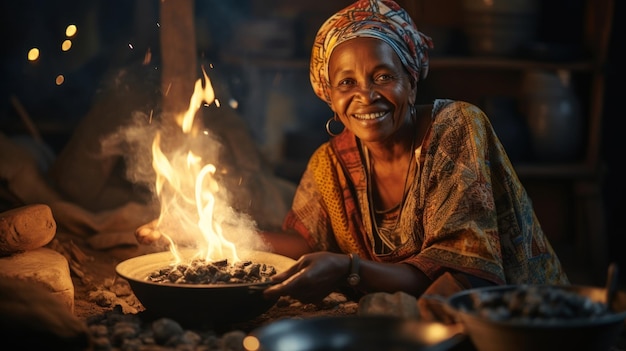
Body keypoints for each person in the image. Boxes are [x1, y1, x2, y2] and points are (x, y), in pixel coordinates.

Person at [136, 0, 569, 309]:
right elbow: (308, 245)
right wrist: (207, 232)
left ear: (411, 82)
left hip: (520, 322)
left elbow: (464, 272)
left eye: (383, 76)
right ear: (330, 98)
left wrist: (348, 270)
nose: (366, 95)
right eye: (346, 83)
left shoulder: (455, 128)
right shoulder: (331, 162)